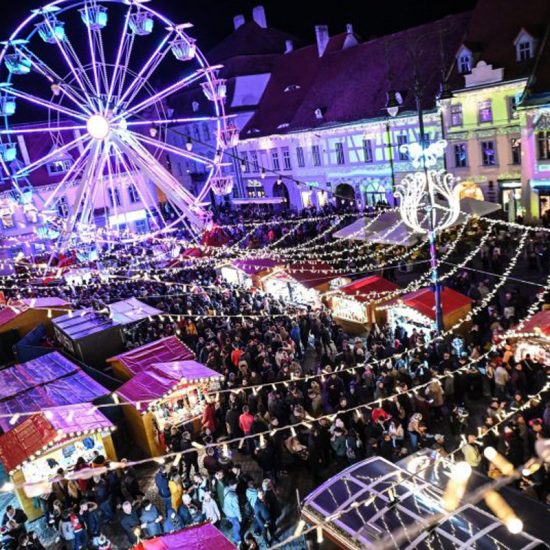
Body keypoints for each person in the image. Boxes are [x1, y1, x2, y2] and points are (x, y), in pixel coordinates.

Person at [223, 479, 242, 544]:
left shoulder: (225, 489)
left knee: (233, 522)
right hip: (232, 514)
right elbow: (236, 508)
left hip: (226, 510)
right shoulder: (234, 496)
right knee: (237, 526)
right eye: (236, 485)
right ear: (234, 485)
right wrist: (239, 517)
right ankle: (237, 539)